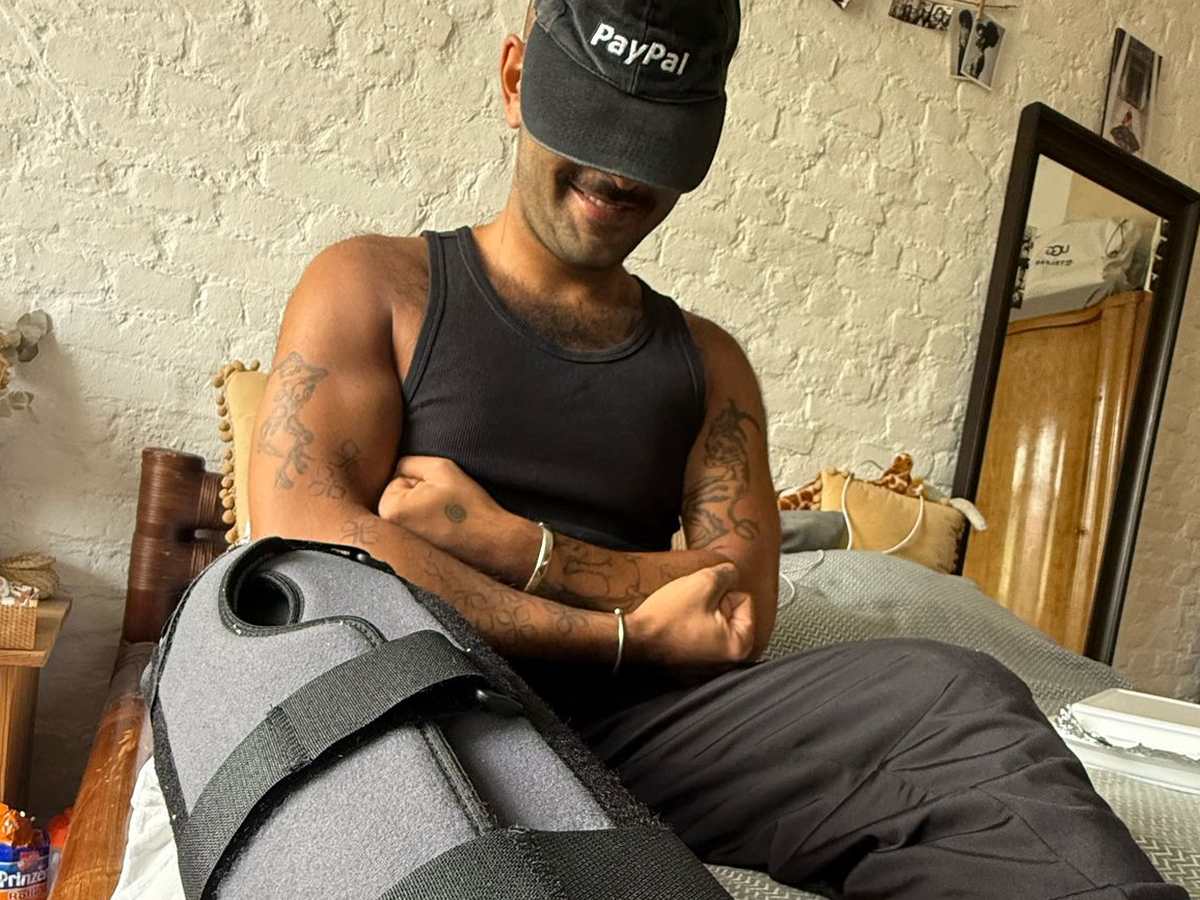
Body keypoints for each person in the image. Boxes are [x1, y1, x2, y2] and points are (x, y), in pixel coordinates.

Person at [248, 0, 1185, 896]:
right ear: (514, 79)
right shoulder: (376, 285)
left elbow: (736, 606)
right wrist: (626, 629)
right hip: (436, 712)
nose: (619, 174)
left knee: (955, 696)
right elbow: (306, 539)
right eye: (595, 126)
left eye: (652, 145)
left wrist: (516, 546)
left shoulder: (709, 364)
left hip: (649, 735)